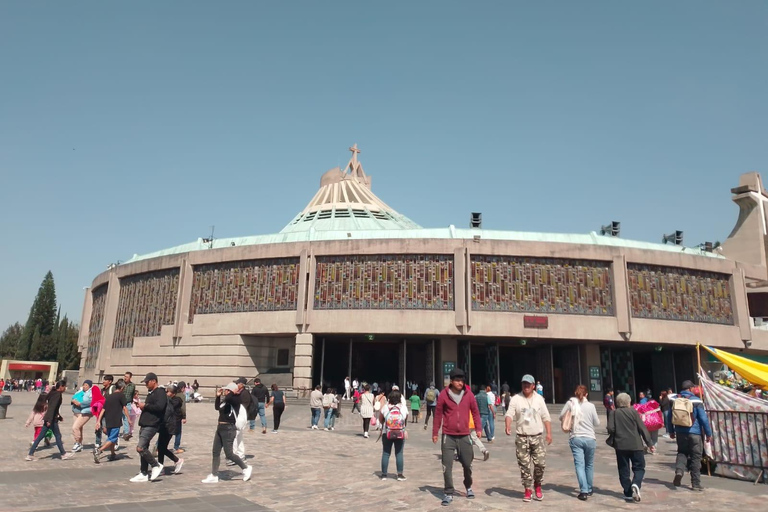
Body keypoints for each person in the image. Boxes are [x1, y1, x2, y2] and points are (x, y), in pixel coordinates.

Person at [432, 368, 482, 506]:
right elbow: (438, 415)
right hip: (448, 435)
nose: (460, 383)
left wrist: (478, 428)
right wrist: (435, 432)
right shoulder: (443, 395)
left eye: (462, 380)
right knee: (446, 466)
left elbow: (475, 412)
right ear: (452, 381)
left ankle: (468, 486)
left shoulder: (469, 395)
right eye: (458, 380)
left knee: (467, 464)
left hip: (465, 435)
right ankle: (448, 492)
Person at [504, 374, 552, 502]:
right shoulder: (516, 399)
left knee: (540, 464)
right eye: (524, 384)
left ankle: (537, 484)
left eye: (528, 384)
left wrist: (549, 433)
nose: (526, 386)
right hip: (522, 437)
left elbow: (546, 417)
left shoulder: (539, 399)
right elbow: (509, 414)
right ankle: (527, 489)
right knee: (524, 466)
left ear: (533, 386)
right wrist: (508, 425)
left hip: (537, 436)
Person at [201, 383, 253, 483]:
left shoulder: (235, 399)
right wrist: (218, 396)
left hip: (229, 428)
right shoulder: (226, 400)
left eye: (227, 390)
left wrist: (232, 392)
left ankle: (246, 468)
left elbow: (230, 398)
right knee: (215, 452)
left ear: (232, 391)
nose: (225, 392)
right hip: (220, 427)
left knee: (229, 454)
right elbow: (217, 407)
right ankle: (214, 474)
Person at [607, 392, 653, 502]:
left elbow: (610, 429)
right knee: (639, 467)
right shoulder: (633, 412)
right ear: (629, 402)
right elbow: (642, 429)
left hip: (620, 445)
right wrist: (650, 444)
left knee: (623, 469)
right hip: (636, 445)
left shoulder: (614, 413)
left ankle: (627, 492)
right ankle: (636, 483)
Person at [668, 380, 712, 491]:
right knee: (695, 457)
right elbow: (703, 419)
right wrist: (708, 433)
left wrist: (671, 431)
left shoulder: (675, 400)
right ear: (690, 389)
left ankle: (679, 471)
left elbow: (669, 416)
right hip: (695, 432)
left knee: (682, 452)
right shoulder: (696, 401)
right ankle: (696, 483)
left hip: (680, 432)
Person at [559, 385, 600, 501]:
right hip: (590, 438)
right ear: (586, 394)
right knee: (589, 464)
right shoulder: (591, 406)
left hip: (576, 437)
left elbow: (561, 416)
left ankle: (584, 490)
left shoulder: (570, 403)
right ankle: (590, 488)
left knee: (579, 465)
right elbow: (596, 422)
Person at [129, 373, 166, 483]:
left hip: (152, 424)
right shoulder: (152, 393)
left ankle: (155, 465)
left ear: (153, 381)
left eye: (147, 382)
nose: (146, 384)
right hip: (145, 423)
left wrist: (145, 406)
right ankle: (143, 472)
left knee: (140, 448)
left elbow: (160, 407)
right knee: (144, 447)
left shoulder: (160, 392)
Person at [27, 381, 73, 460]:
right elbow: (52, 408)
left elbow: (54, 408)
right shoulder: (57, 395)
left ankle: (30, 454)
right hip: (51, 419)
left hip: (50, 418)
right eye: (64, 386)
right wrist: (49, 420)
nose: (65, 388)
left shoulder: (54, 393)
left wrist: (59, 417)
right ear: (61, 387)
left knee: (40, 436)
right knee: (58, 436)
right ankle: (63, 454)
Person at [94, 380, 129, 464]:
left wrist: (99, 420)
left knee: (111, 438)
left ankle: (113, 454)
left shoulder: (109, 396)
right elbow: (124, 408)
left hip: (108, 419)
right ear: (122, 388)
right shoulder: (121, 395)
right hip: (116, 420)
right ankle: (99, 450)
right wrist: (129, 419)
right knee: (113, 438)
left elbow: (103, 409)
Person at [152, 384, 183, 474]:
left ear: (173, 393)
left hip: (170, 427)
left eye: (168, 392)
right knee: (161, 447)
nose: (166, 393)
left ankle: (177, 460)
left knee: (162, 448)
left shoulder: (177, 400)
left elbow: (170, 404)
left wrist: (164, 396)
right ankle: (160, 466)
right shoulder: (168, 399)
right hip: (164, 425)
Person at [378, 389, 408, 481]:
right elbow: (405, 420)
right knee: (399, 453)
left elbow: (380, 419)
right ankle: (399, 474)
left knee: (386, 453)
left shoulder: (385, 407)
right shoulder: (403, 408)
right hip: (399, 432)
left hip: (386, 432)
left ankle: (384, 474)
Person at [71, 379, 94, 452]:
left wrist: (80, 404)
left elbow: (90, 401)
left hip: (85, 413)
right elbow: (73, 397)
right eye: (84, 384)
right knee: (79, 428)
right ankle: (80, 443)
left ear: (90, 386)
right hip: (76, 412)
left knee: (75, 427)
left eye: (86, 385)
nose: (84, 386)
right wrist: (73, 401)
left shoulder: (91, 393)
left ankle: (77, 442)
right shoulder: (80, 391)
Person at [173, 380, 187, 453]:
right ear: (182, 388)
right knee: (178, 432)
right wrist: (184, 417)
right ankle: (176, 447)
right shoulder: (182, 396)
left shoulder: (174, 394)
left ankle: (157, 447)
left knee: (167, 432)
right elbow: (183, 407)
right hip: (177, 417)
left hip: (170, 415)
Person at [122, 372, 136, 441]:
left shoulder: (132, 385)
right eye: (125, 376)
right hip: (120, 403)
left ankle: (126, 433)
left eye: (127, 377)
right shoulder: (121, 384)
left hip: (127, 403)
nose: (125, 378)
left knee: (126, 418)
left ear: (130, 378)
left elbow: (133, 393)